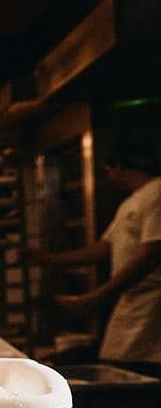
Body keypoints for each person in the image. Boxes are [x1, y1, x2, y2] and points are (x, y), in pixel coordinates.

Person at [52, 147, 161, 364]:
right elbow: (104, 248)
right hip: (131, 301)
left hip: (153, 302)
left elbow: (152, 253)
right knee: (119, 361)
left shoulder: (157, 193)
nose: (108, 178)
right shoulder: (130, 203)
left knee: (142, 374)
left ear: (118, 166)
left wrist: (96, 297)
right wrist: (48, 260)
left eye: (107, 170)